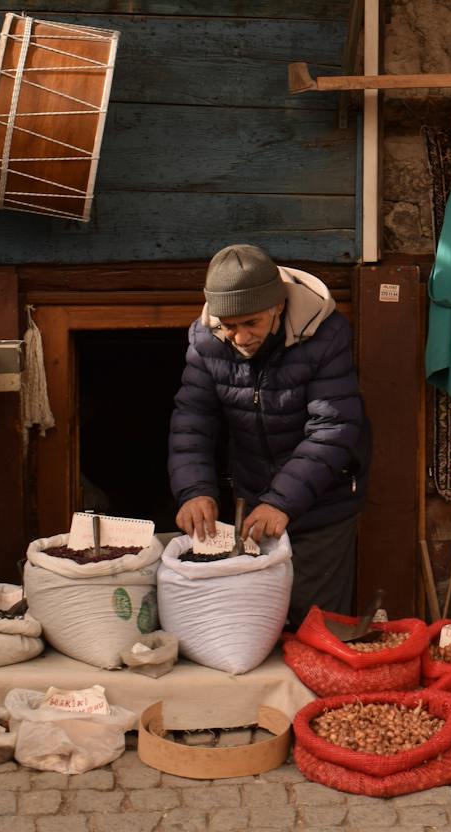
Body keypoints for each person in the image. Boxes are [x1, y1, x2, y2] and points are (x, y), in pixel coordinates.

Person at [169, 244, 370, 625]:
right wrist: (194, 490)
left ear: (278, 306)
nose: (239, 338)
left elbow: (333, 427)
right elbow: (192, 419)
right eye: (229, 325)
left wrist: (282, 502)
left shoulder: (324, 335)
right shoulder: (206, 339)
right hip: (253, 498)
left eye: (251, 324)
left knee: (312, 623)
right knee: (256, 621)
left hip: (323, 503)